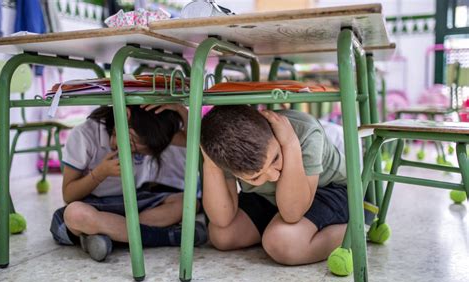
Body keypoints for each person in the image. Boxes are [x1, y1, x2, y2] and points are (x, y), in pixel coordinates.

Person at [50, 104, 207, 262]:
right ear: (125, 114)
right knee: (74, 214)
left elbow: (196, 140)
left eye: (140, 152)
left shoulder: (152, 135)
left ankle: (111, 236)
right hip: (93, 205)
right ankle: (167, 236)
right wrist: (99, 173)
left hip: (134, 201)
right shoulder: (84, 135)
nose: (133, 151)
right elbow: (69, 195)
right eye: (132, 144)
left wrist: (182, 111)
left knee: (188, 202)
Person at [200, 105, 348, 265]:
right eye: (256, 177)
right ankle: (281, 228)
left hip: (328, 189)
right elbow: (222, 219)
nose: (274, 175)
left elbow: (292, 213)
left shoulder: (305, 131)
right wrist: (211, 163)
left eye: (276, 158)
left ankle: (357, 229)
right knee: (222, 236)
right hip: (270, 197)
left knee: (282, 242)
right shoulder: (226, 151)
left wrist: (290, 144)